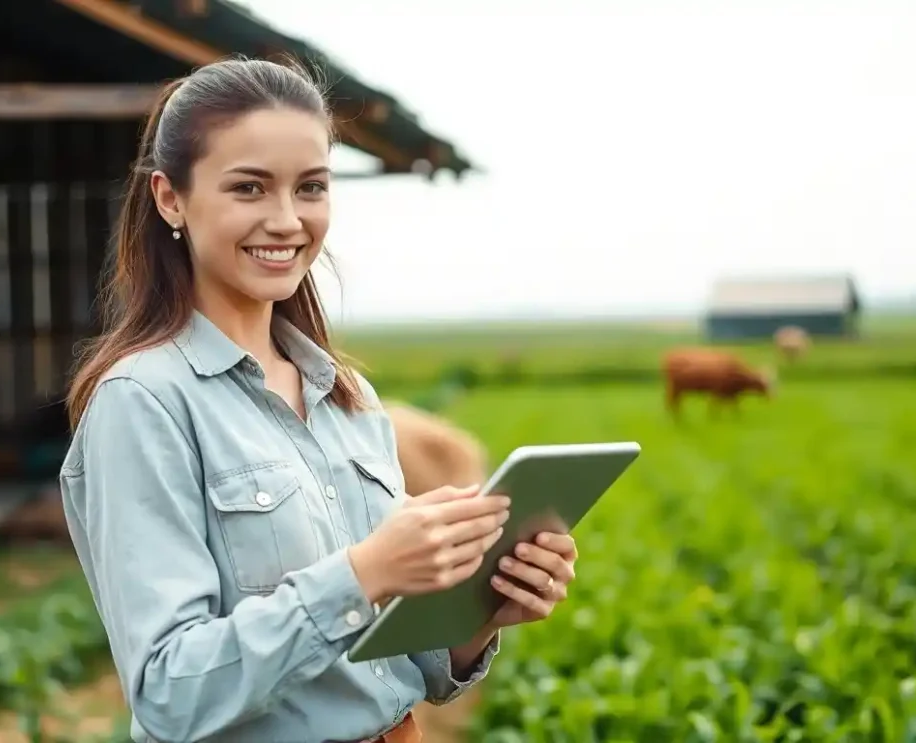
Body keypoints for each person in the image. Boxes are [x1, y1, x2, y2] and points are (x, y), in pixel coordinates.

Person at [58, 56, 580, 743]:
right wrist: (366, 571)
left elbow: (404, 668)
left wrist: (481, 611)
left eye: (310, 187)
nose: (286, 220)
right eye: (249, 188)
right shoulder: (144, 402)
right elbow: (167, 690)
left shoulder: (348, 397)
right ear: (170, 198)